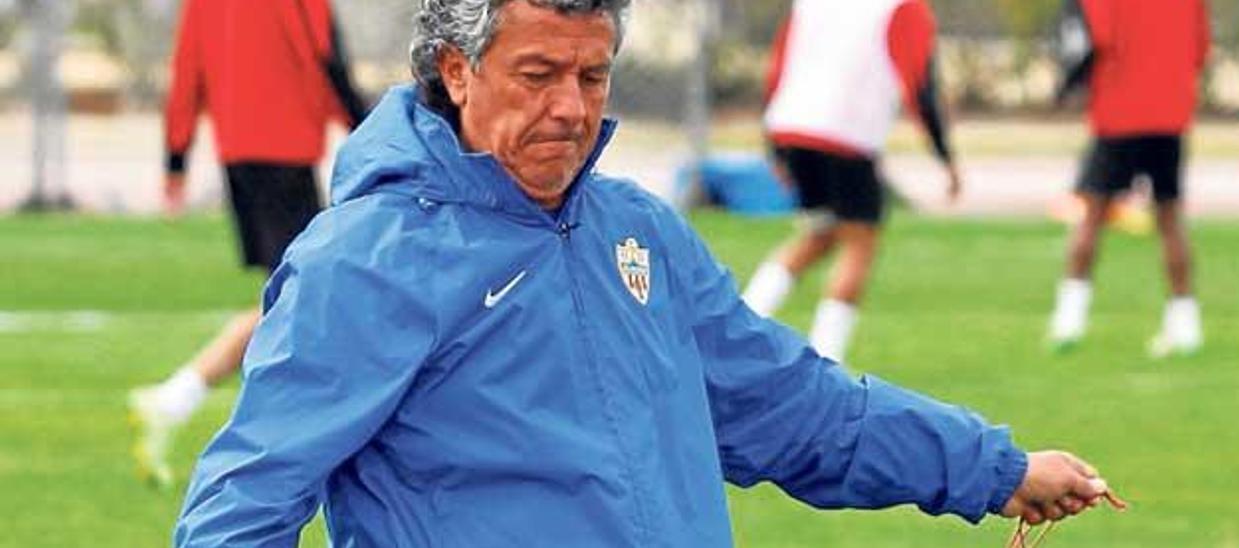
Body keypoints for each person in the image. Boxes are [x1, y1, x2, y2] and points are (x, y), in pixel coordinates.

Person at [174, 1, 1112, 545]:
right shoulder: (362, 263)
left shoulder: (639, 234)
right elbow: (241, 505)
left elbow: (795, 410)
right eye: (538, 75)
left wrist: (992, 467)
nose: (570, 109)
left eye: (592, 77)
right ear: (457, 70)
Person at [127, 0, 367, 488]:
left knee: (297, 299)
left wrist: (175, 159)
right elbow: (327, 57)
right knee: (304, 298)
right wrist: (373, 134)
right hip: (286, 148)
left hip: (238, 152)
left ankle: (181, 397)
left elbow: (187, 68)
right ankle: (188, 401)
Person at [741, 0, 962, 362]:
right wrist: (945, 157)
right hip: (847, 135)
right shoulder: (903, 7)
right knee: (860, 242)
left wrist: (775, 148)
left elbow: (778, 67)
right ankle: (827, 360)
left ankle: (741, 326)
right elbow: (919, 85)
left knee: (820, 235)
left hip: (792, 127)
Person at [1046, 0, 1210, 357]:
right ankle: (1185, 324)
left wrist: (1068, 85)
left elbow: (1092, 37)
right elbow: (1199, 50)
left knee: (1092, 215)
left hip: (1118, 111)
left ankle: (1068, 319)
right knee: (1170, 217)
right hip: (1169, 111)